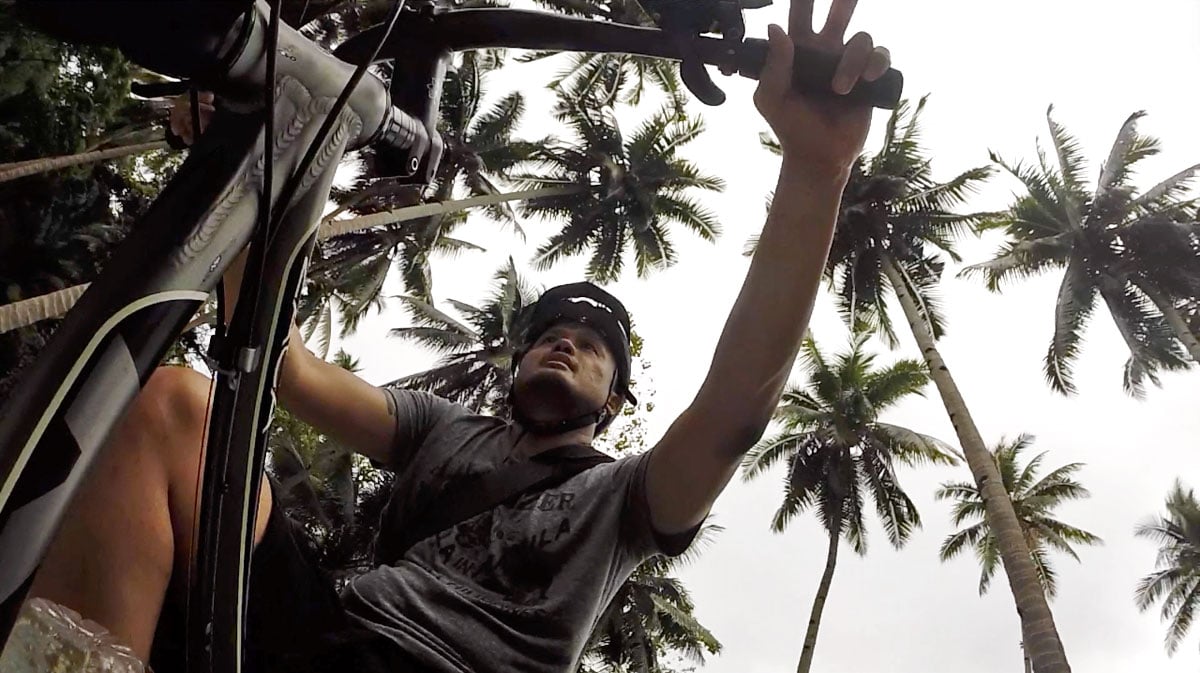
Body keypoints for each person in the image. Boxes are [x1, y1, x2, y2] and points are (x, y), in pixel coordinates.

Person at [18, 0, 892, 671]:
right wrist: (248, 159)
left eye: (594, 344)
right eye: (551, 328)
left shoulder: (625, 503)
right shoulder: (443, 429)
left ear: (618, 400)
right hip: (327, 630)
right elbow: (275, 364)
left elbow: (735, 409)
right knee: (176, 405)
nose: (567, 339)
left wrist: (817, 172)